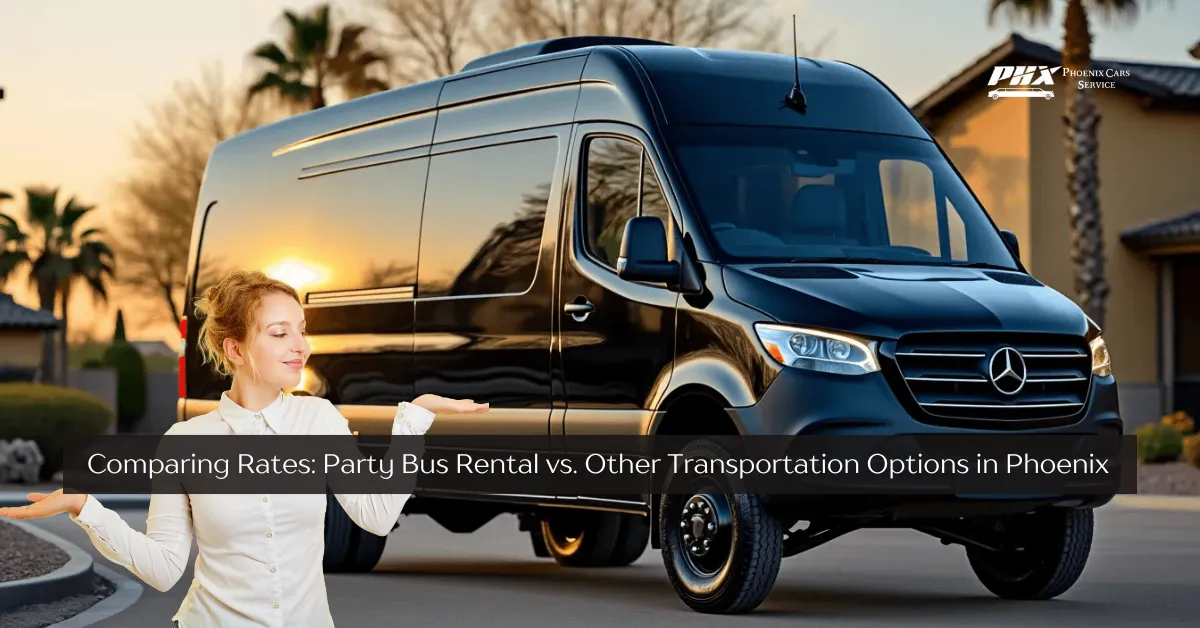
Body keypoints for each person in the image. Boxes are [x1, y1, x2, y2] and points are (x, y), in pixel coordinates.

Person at [0, 269, 489, 627]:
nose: (300, 345)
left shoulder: (319, 420)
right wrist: (88, 508)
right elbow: (166, 569)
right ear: (235, 350)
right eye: (280, 333)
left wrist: (414, 420)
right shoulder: (186, 445)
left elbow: (377, 516)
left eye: (302, 329)